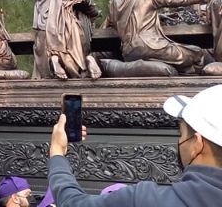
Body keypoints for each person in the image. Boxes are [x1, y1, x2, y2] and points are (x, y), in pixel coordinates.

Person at [47, 84, 222, 206]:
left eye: (182, 134)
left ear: (197, 144)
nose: (179, 141)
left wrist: (57, 153)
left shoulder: (145, 201)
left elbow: (71, 202)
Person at [105, 0, 218, 73]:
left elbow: (123, 21)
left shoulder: (112, 4)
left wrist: (157, 16)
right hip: (152, 47)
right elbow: (180, 0)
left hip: (129, 53)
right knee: (196, 53)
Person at [32, 0, 100, 79]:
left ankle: (53, 60)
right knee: (81, 22)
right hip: (67, 32)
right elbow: (87, 4)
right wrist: (94, 14)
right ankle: (86, 62)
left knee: (44, 63)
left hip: (43, 35)